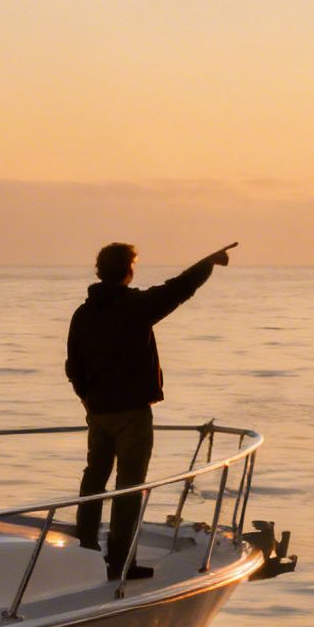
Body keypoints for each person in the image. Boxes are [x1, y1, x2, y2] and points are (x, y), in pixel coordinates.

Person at [66, 240, 234, 581]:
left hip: (98, 414)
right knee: (129, 486)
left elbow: (73, 368)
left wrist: (89, 401)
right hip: (131, 414)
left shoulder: (83, 314)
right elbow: (179, 289)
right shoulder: (135, 307)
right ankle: (120, 562)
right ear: (128, 271)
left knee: (94, 480)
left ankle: (84, 553)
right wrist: (208, 262)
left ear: (100, 271)